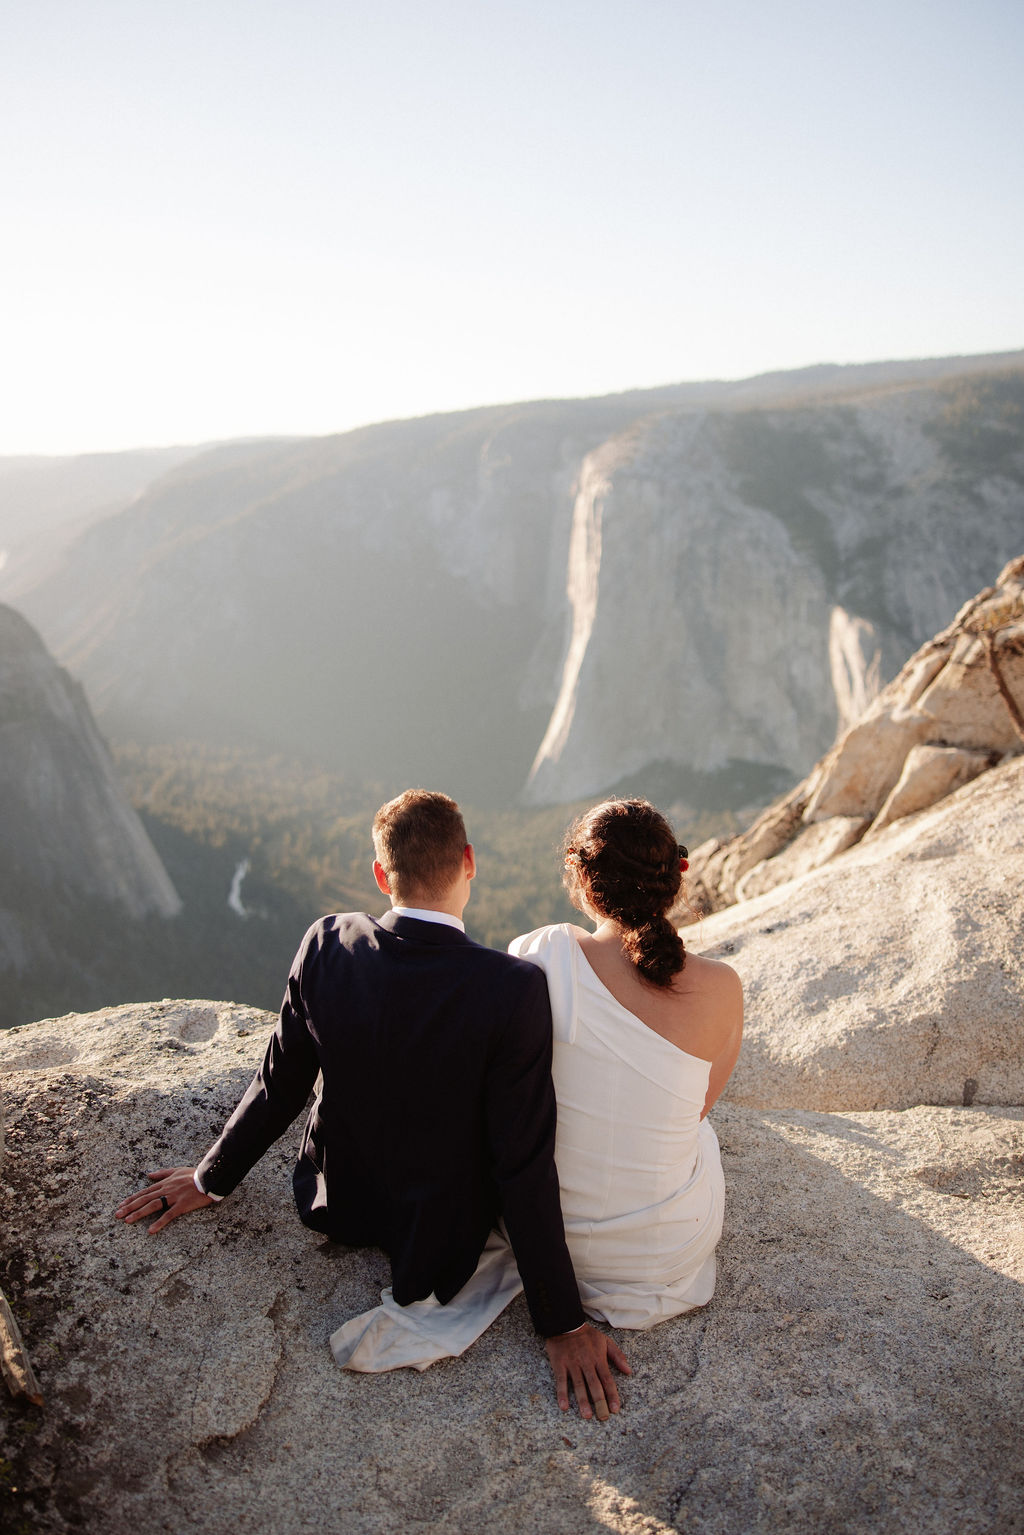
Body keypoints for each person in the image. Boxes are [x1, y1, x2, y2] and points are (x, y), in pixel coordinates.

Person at [115, 789, 629, 1420]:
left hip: (336, 1204)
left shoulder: (327, 944)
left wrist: (209, 1178)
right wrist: (562, 1323)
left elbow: (282, 1082)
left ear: (382, 875)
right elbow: (521, 1163)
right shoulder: (513, 989)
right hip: (444, 1244)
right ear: (469, 861)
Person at [337, 796, 741, 1362]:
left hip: (545, 1237)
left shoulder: (539, 953)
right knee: (701, 1139)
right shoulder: (724, 988)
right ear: (676, 876)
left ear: (580, 878)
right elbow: (698, 1109)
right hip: (662, 1255)